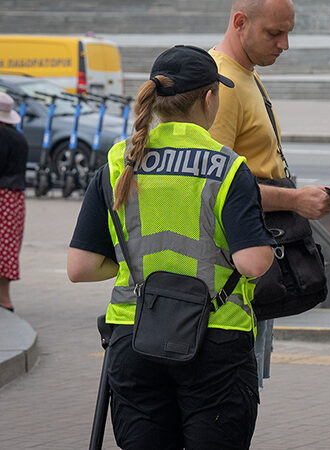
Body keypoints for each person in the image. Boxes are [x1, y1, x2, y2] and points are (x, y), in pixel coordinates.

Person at [67, 45, 276, 448]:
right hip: (215, 341)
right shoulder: (227, 166)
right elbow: (252, 263)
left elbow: (80, 267)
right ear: (209, 98)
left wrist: (134, 267)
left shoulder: (117, 161)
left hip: (133, 336)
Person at [209, 0, 330, 393]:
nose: (285, 44)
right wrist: (295, 201)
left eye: (289, 32)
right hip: (236, 275)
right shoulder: (222, 83)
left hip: (251, 263)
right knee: (233, 398)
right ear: (239, 22)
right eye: (274, 33)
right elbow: (215, 188)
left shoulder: (246, 73)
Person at [0, 92, 28, 313]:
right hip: (15, 197)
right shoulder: (18, 137)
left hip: (2, 195)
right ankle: (5, 297)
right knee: (8, 246)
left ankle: (4, 300)